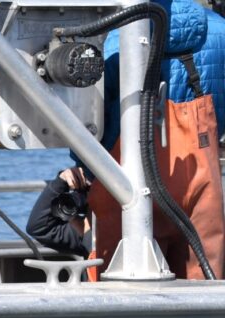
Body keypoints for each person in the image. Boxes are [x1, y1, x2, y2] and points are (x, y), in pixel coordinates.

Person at [86, 0, 225, 279]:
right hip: (200, 173)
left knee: (120, 285)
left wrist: (83, 169)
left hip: (126, 183)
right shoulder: (221, 32)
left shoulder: (115, 38)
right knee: (204, 288)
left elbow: (93, 123)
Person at [26, 166, 93, 258]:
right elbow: (39, 228)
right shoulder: (89, 227)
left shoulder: (113, 230)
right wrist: (62, 181)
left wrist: (86, 232)